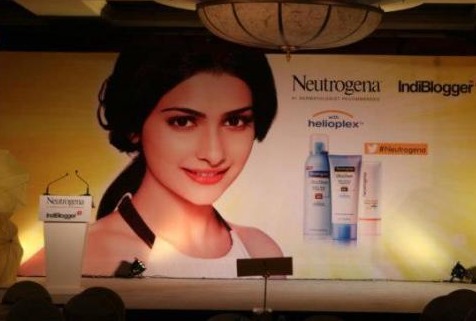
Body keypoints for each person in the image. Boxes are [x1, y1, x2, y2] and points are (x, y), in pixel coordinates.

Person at [21, 44, 281, 277]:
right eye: (183, 122)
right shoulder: (77, 258)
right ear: (134, 127)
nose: (214, 154)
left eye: (235, 121)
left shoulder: (260, 249)